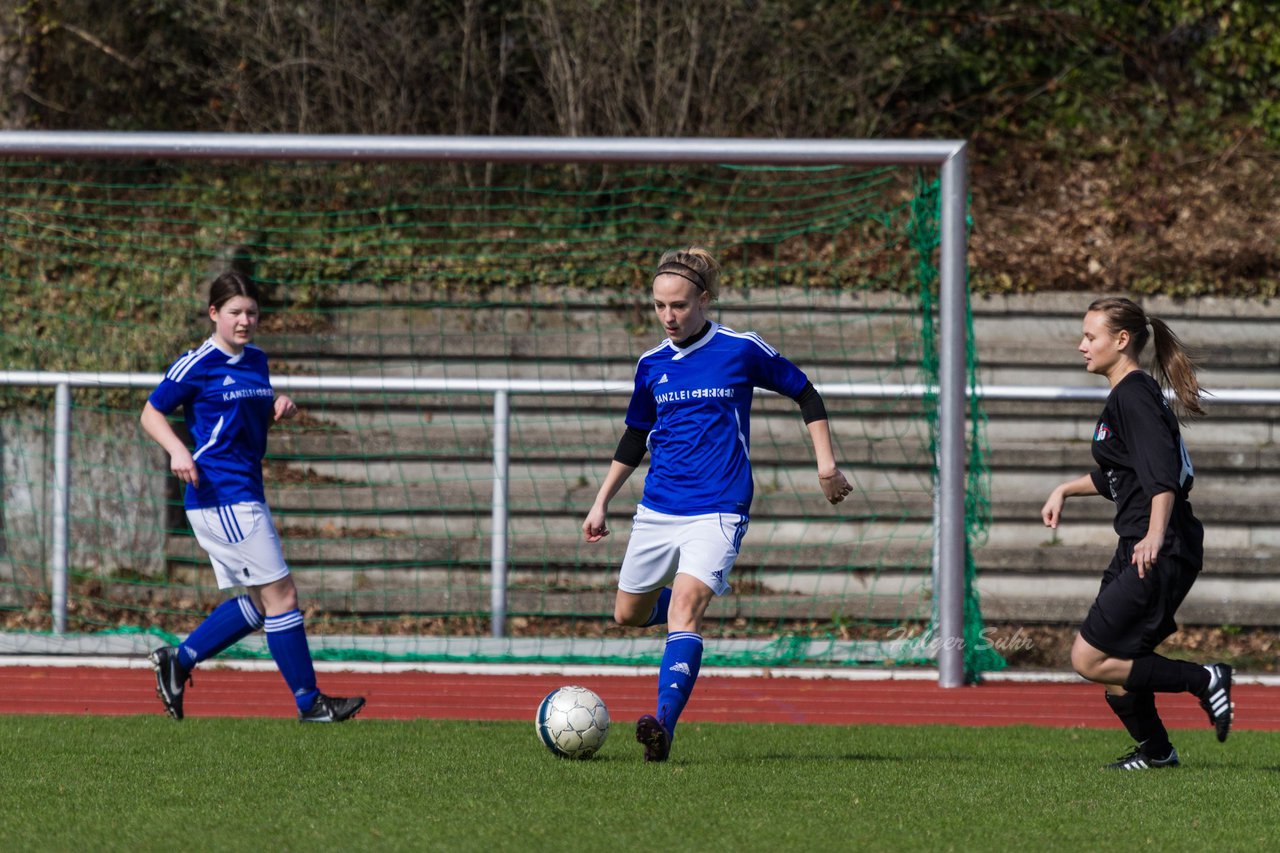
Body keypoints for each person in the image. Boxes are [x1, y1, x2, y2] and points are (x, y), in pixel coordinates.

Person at [582, 246, 852, 762]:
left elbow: (807, 394)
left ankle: (662, 724)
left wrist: (825, 466)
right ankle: (686, 623)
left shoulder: (740, 348)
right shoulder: (652, 364)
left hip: (719, 506)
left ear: (703, 299)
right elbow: (635, 436)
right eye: (660, 306)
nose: (668, 317)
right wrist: (601, 503)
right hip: (658, 507)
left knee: (685, 608)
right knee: (628, 613)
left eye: (679, 305)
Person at [141, 271, 365, 723]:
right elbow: (150, 412)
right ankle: (310, 702)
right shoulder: (197, 363)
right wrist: (177, 449)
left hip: (246, 490)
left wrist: (277, 405)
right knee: (281, 595)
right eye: (235, 312)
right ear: (213, 314)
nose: (244, 321)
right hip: (219, 493)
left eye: (252, 313)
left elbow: (245, 414)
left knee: (264, 604)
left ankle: (178, 661)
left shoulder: (256, 360)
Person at [1040, 296, 1232, 770]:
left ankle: (1204, 679)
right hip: (1144, 542)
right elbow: (1118, 475)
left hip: (1160, 545)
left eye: (1091, 336)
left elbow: (1161, 473)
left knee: (1089, 658)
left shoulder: (1133, 394)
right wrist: (1065, 488)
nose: (1081, 346)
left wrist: (1154, 533)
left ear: (1121, 340)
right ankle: (1157, 752)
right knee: (1117, 665)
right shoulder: (1126, 395)